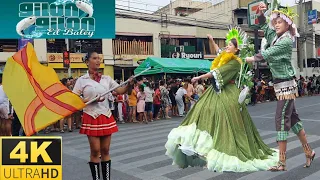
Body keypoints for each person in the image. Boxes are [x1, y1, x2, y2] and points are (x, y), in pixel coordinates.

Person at [165, 27, 278, 172]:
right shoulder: (225, 56)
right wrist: (211, 40)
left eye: (230, 45)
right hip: (215, 90)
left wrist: (199, 77)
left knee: (221, 114)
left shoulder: (236, 62)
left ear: (236, 49)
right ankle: (196, 146)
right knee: (201, 109)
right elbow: (217, 50)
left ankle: (220, 149)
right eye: (227, 44)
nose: (227, 46)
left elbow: (216, 73)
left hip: (227, 92)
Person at [246, 2, 315, 171]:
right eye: (275, 22)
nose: (275, 24)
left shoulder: (285, 41)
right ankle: (309, 152)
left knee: (281, 120)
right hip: (281, 85)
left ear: (287, 25)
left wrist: (253, 58)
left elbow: (268, 53)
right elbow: (262, 23)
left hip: (285, 85)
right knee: (293, 121)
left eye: (279, 22)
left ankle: (282, 162)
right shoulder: (275, 36)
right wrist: (262, 13)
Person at [73, 51, 132, 180]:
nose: (98, 61)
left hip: (105, 115)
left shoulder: (106, 79)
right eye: (94, 58)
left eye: (99, 58)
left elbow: (120, 90)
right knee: (95, 151)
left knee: (105, 150)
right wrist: (90, 100)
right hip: (91, 115)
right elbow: (73, 99)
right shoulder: (81, 80)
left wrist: (129, 83)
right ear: (87, 61)